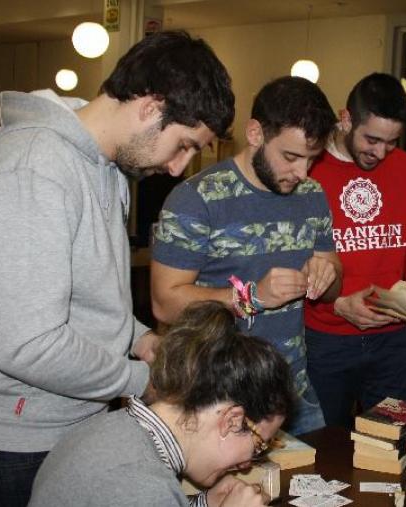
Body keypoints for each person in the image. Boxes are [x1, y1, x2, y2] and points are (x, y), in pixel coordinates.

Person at [0, 31, 235, 507]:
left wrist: (139, 340)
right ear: (152, 107)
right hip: (3, 442)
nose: (179, 168)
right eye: (185, 145)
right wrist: (142, 381)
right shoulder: (31, 169)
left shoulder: (105, 168)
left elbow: (83, 300)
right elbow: (29, 345)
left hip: (68, 421)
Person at [151, 76, 340, 436]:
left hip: (293, 394)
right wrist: (252, 297)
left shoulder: (313, 194)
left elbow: (333, 287)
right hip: (215, 400)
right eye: (291, 156)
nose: (302, 173)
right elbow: (164, 303)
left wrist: (326, 274)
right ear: (255, 133)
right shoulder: (196, 198)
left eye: (312, 160)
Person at [29, 301, 294, 507]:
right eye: (258, 445)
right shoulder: (142, 486)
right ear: (231, 420)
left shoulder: (115, 427)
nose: (248, 465)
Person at [304, 73, 406, 427]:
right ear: (346, 118)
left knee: (399, 442)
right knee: (322, 451)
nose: (380, 152)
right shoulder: (308, 170)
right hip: (324, 340)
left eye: (391, 142)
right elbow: (290, 261)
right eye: (372, 139)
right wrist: (335, 302)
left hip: (391, 340)